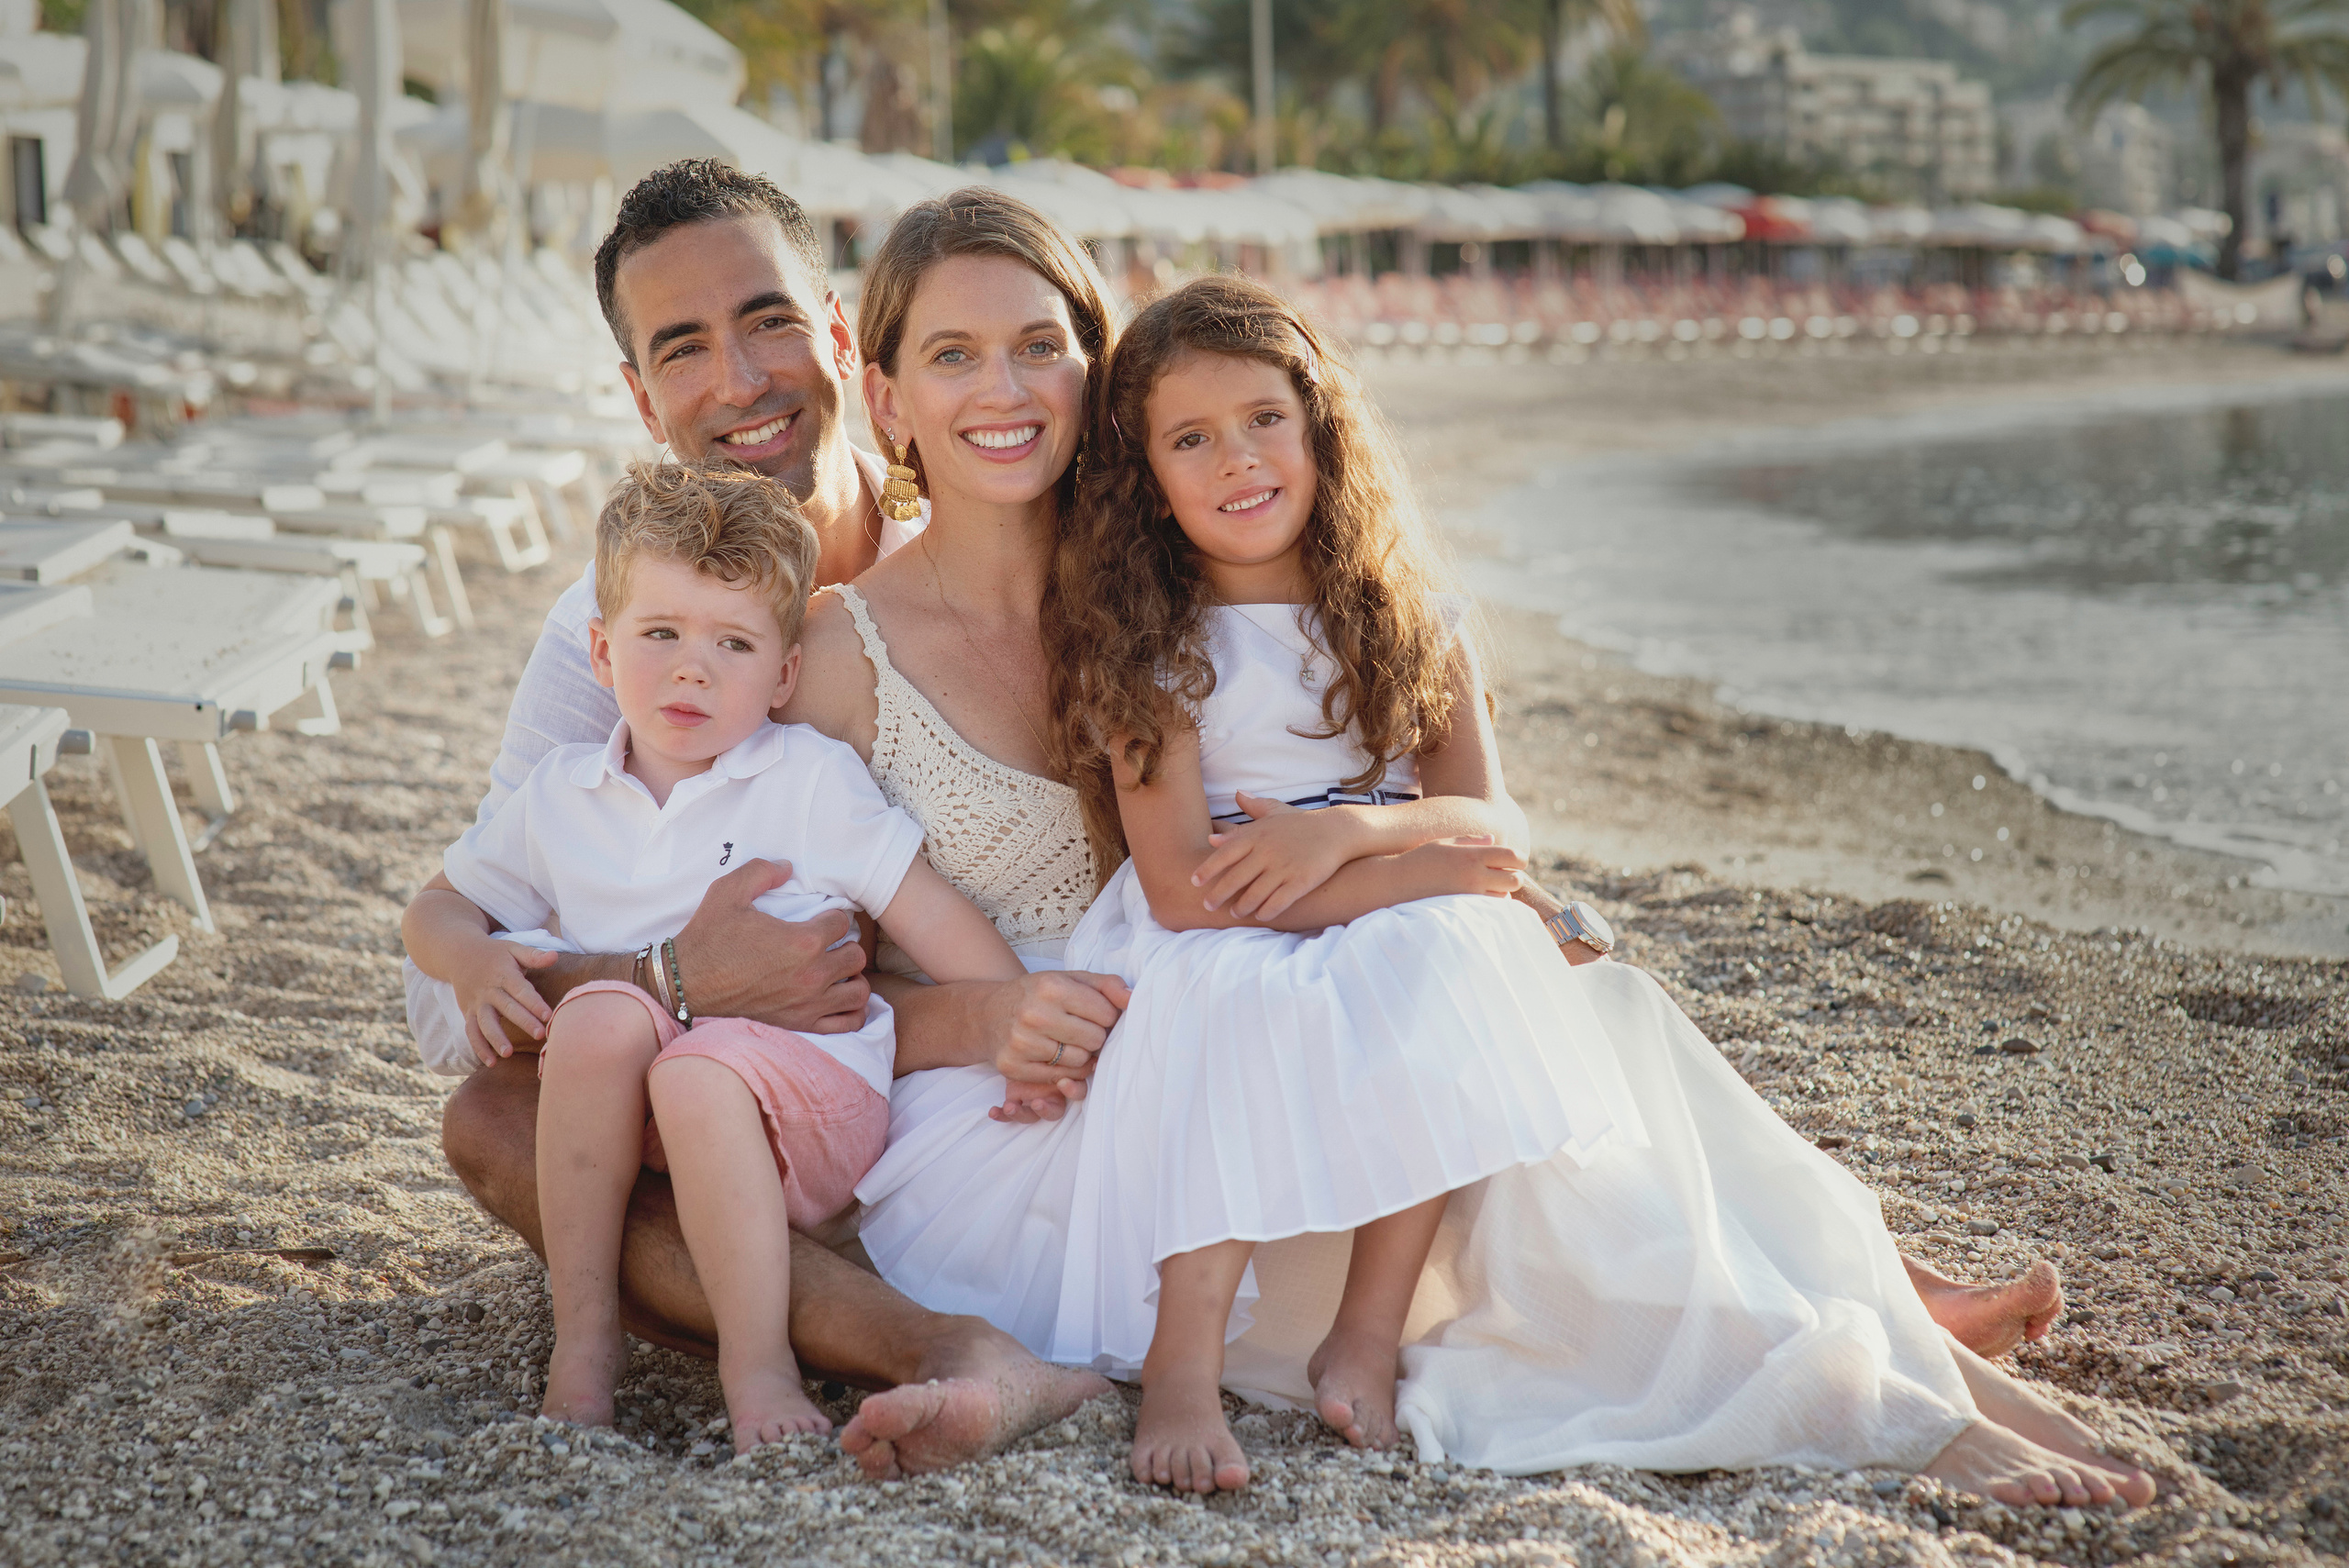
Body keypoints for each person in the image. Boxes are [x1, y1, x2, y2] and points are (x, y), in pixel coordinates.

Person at [853, 275, 2157, 1510]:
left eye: (1263, 420)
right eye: (1190, 440)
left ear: (1321, 429)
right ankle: (1852, 1357)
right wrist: (1423, 877)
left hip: (1375, 925)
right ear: (1143, 477)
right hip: (1230, 946)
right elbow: (1194, 894)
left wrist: (1353, 840)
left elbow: (1493, 825)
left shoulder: (1407, 617)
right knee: (1409, 973)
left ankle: (1875, 1320)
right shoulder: (1155, 651)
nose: (1238, 460)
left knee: (1615, 1025)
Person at [425, 161, 1115, 1474]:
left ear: (842, 335)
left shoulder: (990, 505)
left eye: (769, 321)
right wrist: (671, 976)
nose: (740, 379)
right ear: (642, 396)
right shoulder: (619, 633)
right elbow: (447, 991)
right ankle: (930, 1346)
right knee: (494, 1121)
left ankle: (902, 1331)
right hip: (735, 1088)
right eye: (683, 347)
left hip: (974, 1064)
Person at [406, 462, 1031, 1451]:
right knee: (597, 1017)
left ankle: (759, 1366)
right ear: (602, 650)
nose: (691, 670)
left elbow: (927, 909)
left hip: (810, 1103)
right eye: (660, 634)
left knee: (697, 1069)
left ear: (783, 675)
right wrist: (475, 960)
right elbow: (436, 908)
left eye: (732, 643)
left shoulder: (803, 777)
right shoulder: (563, 795)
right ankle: (585, 1341)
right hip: (650, 1109)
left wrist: (1021, 1018)